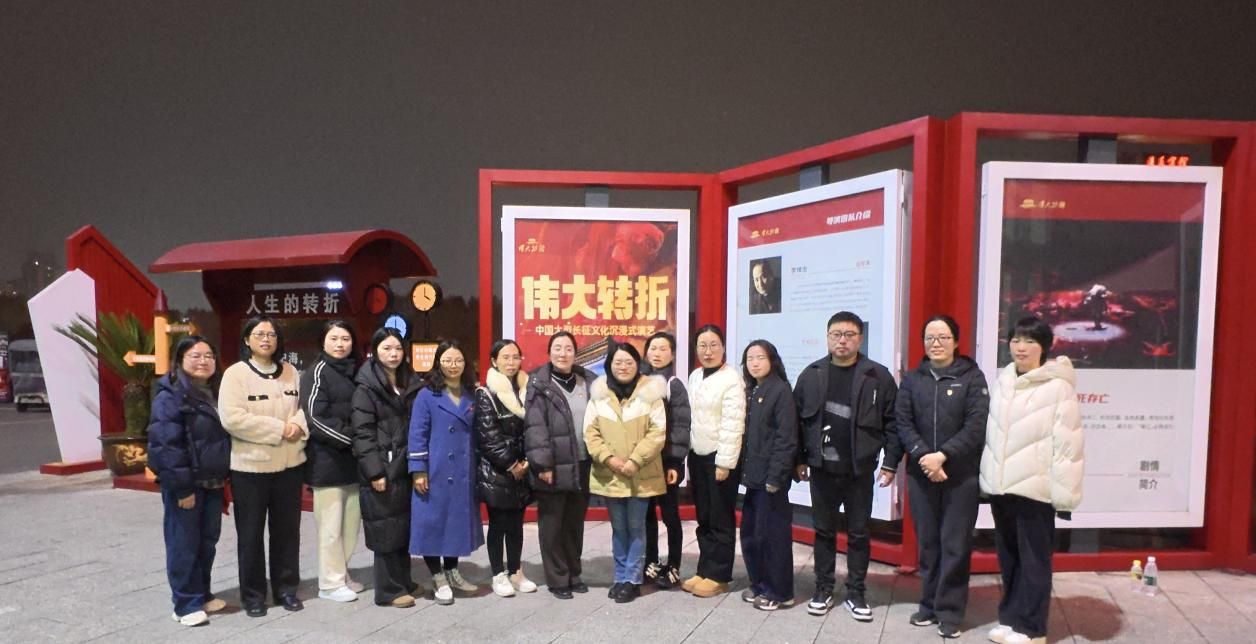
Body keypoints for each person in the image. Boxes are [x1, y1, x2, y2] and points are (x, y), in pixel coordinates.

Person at [981, 316, 1083, 644]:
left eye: (1029, 341)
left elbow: (1068, 446)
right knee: (1009, 558)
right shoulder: (1004, 380)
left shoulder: (1058, 387)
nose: (1020, 347)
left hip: (1035, 489)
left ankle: (1033, 628)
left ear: (1044, 347)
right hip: (1002, 487)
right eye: (1015, 340)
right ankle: (1011, 619)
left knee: (1034, 561)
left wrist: (1064, 495)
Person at [794, 310, 901, 621]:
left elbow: (893, 423)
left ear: (860, 339)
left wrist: (890, 463)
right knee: (823, 531)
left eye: (849, 335)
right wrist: (799, 460)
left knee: (858, 533)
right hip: (822, 470)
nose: (842, 340)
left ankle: (856, 592)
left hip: (859, 470)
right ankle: (823, 588)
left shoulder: (878, 376)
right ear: (828, 338)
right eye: (836, 334)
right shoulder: (812, 374)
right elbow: (798, 422)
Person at [895, 315, 990, 638]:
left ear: (956, 341)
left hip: (960, 476)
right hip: (921, 475)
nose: (936, 343)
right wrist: (924, 456)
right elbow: (903, 422)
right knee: (928, 544)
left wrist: (943, 455)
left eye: (943, 337)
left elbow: (976, 425)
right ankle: (929, 604)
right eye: (930, 338)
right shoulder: (912, 379)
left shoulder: (972, 378)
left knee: (955, 545)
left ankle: (950, 611)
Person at [218, 317, 308, 617]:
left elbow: (304, 408)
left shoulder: (291, 372)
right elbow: (232, 418)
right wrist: (280, 429)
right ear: (247, 339)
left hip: (289, 467)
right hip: (250, 470)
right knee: (250, 535)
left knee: (287, 533)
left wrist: (297, 424)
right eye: (259, 334)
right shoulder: (236, 374)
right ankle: (253, 596)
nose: (266, 339)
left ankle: (286, 589)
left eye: (271, 334)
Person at [148, 336, 230, 627]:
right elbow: (165, 446)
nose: (203, 361)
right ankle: (184, 604)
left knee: (207, 542)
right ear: (180, 360)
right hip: (187, 485)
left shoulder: (216, 392)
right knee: (184, 544)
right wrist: (182, 488)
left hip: (213, 481)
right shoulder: (170, 395)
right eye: (195, 356)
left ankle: (202, 594)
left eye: (209, 356)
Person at [584, 341, 667, 603]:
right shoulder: (599, 394)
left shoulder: (650, 393)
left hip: (640, 474)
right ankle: (620, 576)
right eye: (618, 362)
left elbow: (657, 433)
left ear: (637, 364)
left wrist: (634, 460)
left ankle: (632, 579)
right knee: (619, 529)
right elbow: (590, 433)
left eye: (629, 362)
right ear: (609, 365)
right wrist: (608, 459)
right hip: (610, 473)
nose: (623, 367)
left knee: (636, 527)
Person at [409, 340, 483, 605]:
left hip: (463, 469)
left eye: (458, 360)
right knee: (433, 523)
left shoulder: (471, 393)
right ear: (438, 363)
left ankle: (452, 571)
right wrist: (418, 470)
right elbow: (417, 434)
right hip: (436, 469)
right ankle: (437, 575)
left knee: (455, 523)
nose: (453, 366)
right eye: (448, 360)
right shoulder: (427, 395)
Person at [352, 328, 422, 608]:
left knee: (401, 525)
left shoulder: (409, 381)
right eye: (386, 348)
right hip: (383, 466)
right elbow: (362, 433)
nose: (393, 354)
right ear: (374, 351)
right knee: (385, 528)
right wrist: (375, 471)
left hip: (404, 463)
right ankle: (388, 590)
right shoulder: (366, 387)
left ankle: (404, 581)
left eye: (398, 349)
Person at [524, 331, 593, 599]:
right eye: (557, 348)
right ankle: (557, 578)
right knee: (552, 525)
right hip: (552, 466)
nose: (562, 353)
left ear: (575, 353)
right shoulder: (539, 383)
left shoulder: (589, 381)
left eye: (568, 348)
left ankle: (574, 573)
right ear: (549, 352)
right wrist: (542, 465)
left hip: (583, 463)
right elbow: (535, 426)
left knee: (574, 523)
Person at [300, 320, 363, 603]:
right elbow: (315, 418)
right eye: (334, 338)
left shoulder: (355, 370)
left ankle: (341, 573)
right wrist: (353, 439)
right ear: (323, 341)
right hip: (327, 463)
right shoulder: (317, 372)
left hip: (353, 464)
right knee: (330, 527)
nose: (340, 344)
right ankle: (329, 583)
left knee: (350, 525)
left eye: (345, 339)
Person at [682, 324, 745, 598]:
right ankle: (704, 569)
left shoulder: (732, 379)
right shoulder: (695, 376)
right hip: (698, 455)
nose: (708, 351)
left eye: (713, 345)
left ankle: (719, 575)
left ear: (723, 347)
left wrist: (725, 463)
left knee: (720, 517)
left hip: (720, 459)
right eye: (702, 346)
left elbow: (733, 423)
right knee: (704, 516)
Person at [738, 340, 799, 612]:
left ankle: (780, 591)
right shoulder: (753, 390)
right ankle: (760, 583)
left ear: (772, 360)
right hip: (754, 478)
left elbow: (786, 438)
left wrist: (776, 477)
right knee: (752, 533)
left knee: (773, 536)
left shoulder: (780, 391)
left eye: (760, 357)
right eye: (750, 358)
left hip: (771, 480)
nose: (754, 363)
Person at [474, 339, 538, 597]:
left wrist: (528, 461)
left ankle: (515, 570)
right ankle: (498, 574)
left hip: (522, 469)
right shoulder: (486, 393)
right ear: (494, 361)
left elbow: (533, 428)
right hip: (497, 471)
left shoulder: (526, 390)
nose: (511, 362)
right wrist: (511, 464)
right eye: (505, 357)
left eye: (515, 357)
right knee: (498, 523)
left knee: (516, 524)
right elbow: (488, 436)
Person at [640, 331, 691, 589]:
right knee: (647, 514)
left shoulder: (673, 384)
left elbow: (681, 426)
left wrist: (675, 462)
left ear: (672, 355)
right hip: (643, 462)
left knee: (670, 515)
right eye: (653, 348)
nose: (657, 353)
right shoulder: (638, 382)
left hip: (666, 462)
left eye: (663, 349)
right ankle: (650, 561)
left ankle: (673, 565)